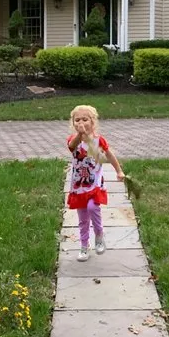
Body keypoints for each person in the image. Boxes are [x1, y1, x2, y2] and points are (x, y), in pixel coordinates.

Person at [67, 104, 124, 261]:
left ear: (93, 122)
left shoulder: (99, 140)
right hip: (79, 184)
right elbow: (72, 147)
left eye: (85, 119)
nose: (81, 123)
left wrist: (118, 171)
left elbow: (109, 155)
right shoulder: (73, 139)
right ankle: (84, 246)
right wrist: (80, 135)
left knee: (93, 207)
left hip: (94, 182)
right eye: (77, 120)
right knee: (82, 217)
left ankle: (99, 234)